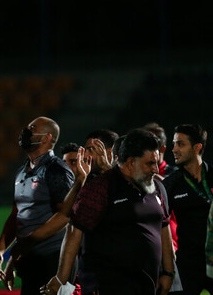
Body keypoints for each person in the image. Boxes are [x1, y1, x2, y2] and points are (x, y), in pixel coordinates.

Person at [42, 129, 175, 295]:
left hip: (148, 285)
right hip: (107, 286)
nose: (156, 169)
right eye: (150, 163)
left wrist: (169, 272)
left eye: (156, 162)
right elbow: (74, 231)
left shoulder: (157, 187)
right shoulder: (100, 188)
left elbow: (164, 226)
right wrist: (61, 278)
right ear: (131, 163)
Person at [0, 116, 74, 294]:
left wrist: (27, 242)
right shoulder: (22, 171)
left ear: (46, 138)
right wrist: (0, 252)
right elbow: (16, 215)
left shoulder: (57, 170)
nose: (26, 130)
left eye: (32, 127)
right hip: (29, 261)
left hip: (52, 261)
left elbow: (66, 216)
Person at [162, 124, 213, 294]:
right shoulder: (170, 184)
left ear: (197, 147)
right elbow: (160, 225)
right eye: (174, 144)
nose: (174, 149)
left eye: (180, 144)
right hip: (189, 269)